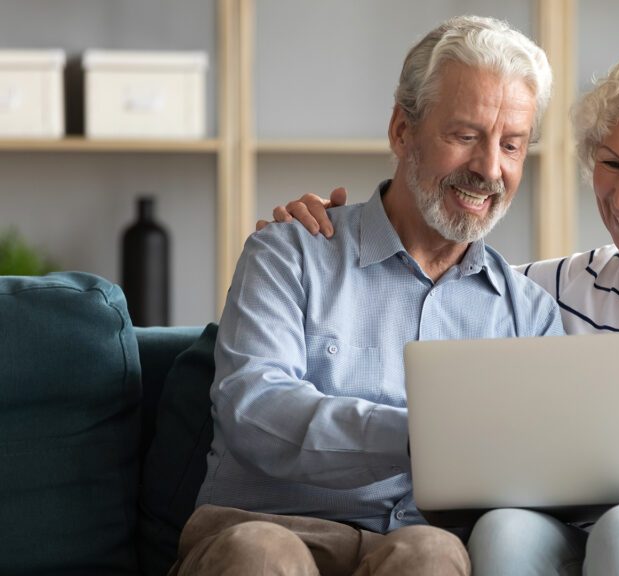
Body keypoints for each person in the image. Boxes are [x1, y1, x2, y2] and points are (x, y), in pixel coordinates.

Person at [267, 35, 619, 576]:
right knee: (504, 531)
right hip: (604, 532)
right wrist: (334, 234)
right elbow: (429, 281)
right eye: (611, 163)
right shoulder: (559, 288)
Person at [174, 15, 563, 576]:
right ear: (402, 131)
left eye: (512, 144)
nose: (489, 168)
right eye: (465, 136)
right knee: (263, 554)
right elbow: (254, 409)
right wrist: (424, 434)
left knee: (434, 554)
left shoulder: (527, 313)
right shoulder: (291, 252)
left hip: (414, 545)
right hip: (270, 525)